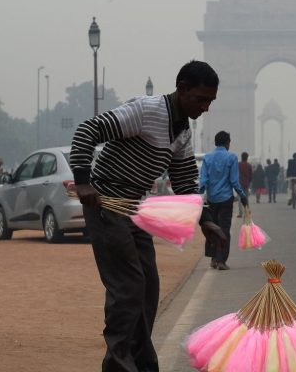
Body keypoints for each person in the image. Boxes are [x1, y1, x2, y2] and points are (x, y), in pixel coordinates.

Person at [70, 60, 225, 372]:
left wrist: (205, 218)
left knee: (148, 286)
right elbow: (88, 130)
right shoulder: (146, 111)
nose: (205, 107)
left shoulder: (182, 130)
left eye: (210, 101)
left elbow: (184, 180)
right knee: (127, 286)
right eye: (201, 99)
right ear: (182, 89)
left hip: (133, 207)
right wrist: (83, 180)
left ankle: (141, 361)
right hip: (105, 202)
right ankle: (117, 363)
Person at [199, 131, 248, 271]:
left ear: (215, 142)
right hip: (226, 199)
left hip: (211, 200)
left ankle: (214, 259)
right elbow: (234, 181)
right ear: (227, 143)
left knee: (213, 229)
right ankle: (221, 261)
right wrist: (242, 196)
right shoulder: (231, 157)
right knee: (224, 230)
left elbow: (203, 181)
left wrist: (198, 197)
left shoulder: (207, 158)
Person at [236, 151, 253, 218]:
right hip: (246, 184)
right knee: (246, 198)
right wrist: (249, 182)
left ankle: (240, 213)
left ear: (241, 157)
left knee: (240, 199)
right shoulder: (249, 165)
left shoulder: (238, 164)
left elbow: (235, 174)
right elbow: (251, 175)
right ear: (247, 158)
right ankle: (247, 212)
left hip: (239, 184)